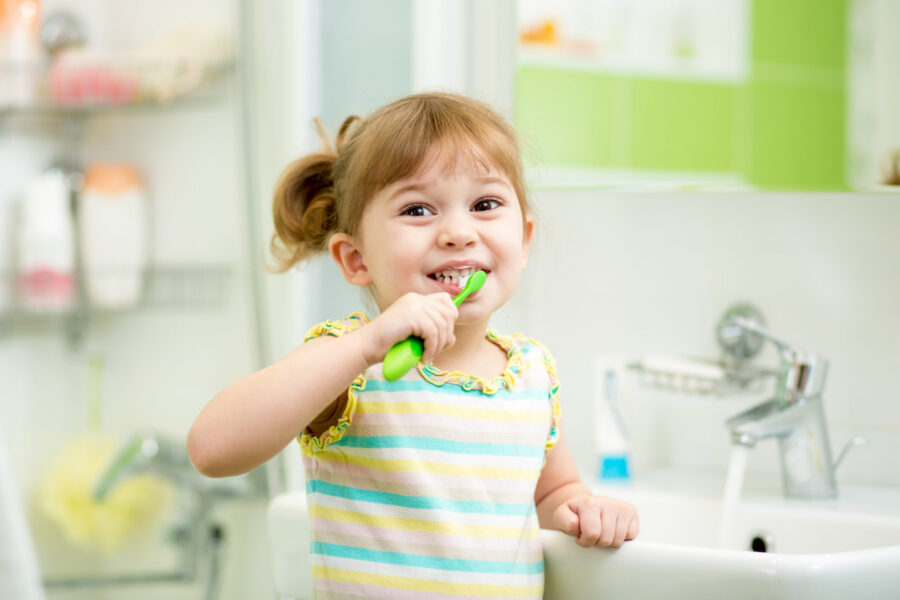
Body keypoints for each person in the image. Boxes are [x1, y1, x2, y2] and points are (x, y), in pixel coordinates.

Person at [187, 92, 639, 599]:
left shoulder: (531, 374)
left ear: (525, 239)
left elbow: (553, 493)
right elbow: (211, 449)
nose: (458, 232)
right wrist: (364, 347)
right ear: (356, 259)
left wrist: (584, 509)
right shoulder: (351, 363)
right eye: (418, 209)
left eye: (485, 204)